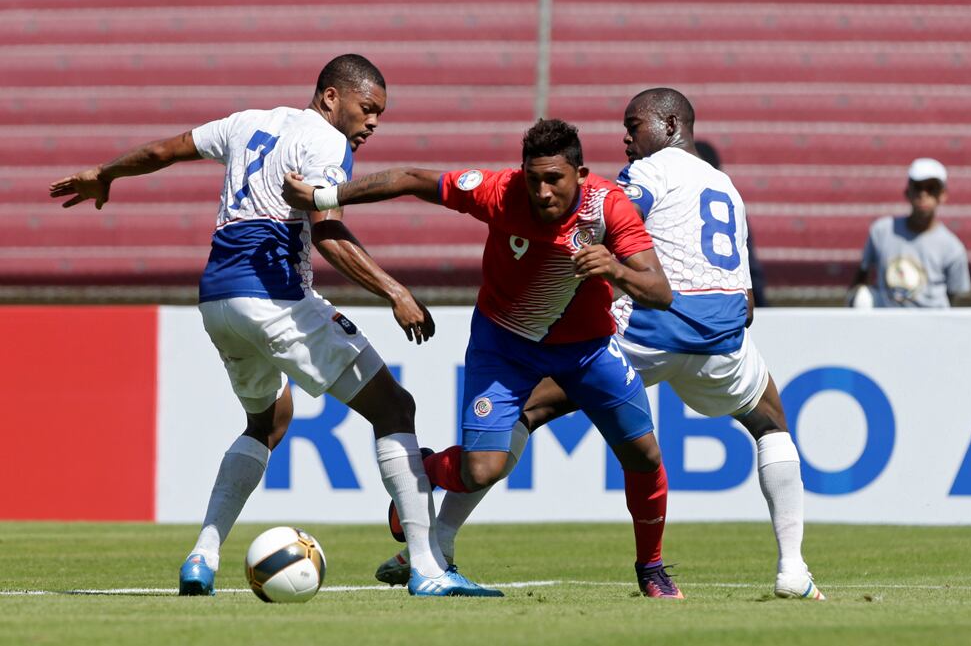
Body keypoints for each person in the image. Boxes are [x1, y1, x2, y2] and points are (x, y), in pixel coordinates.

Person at [48, 54, 500, 598]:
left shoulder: (245, 122)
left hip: (218, 301)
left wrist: (105, 173)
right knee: (395, 408)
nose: (373, 122)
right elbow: (327, 233)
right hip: (275, 299)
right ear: (331, 97)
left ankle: (202, 556)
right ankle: (427, 568)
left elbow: (164, 150)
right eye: (367, 108)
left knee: (268, 421)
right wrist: (395, 292)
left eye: (380, 113)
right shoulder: (326, 142)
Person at [357, 89, 827, 601]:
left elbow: (606, 221)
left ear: (670, 125)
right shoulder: (725, 186)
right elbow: (747, 300)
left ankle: (437, 523)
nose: (626, 138)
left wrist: (608, 264)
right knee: (770, 423)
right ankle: (792, 568)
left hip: (638, 332)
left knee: (527, 417)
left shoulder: (644, 175)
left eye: (634, 126)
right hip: (721, 336)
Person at [283, 118, 685, 599]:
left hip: (588, 351)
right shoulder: (498, 191)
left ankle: (651, 570)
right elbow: (411, 178)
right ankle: (426, 471)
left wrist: (615, 269)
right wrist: (324, 197)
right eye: (533, 178)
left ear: (580, 175)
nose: (542, 191)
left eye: (554, 179)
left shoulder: (608, 206)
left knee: (644, 456)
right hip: (505, 347)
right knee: (481, 470)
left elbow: (660, 292)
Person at [849, 158, 971, 307]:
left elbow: (956, 296)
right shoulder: (882, 231)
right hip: (887, 318)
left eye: (931, 188)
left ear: (943, 195)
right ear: (908, 192)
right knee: (862, 298)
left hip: (931, 319)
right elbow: (862, 275)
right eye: (918, 187)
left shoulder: (953, 248)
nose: (923, 194)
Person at [694, 140, 769, 307]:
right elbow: (749, 265)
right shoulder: (730, 200)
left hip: (691, 297)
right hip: (730, 299)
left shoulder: (680, 201)